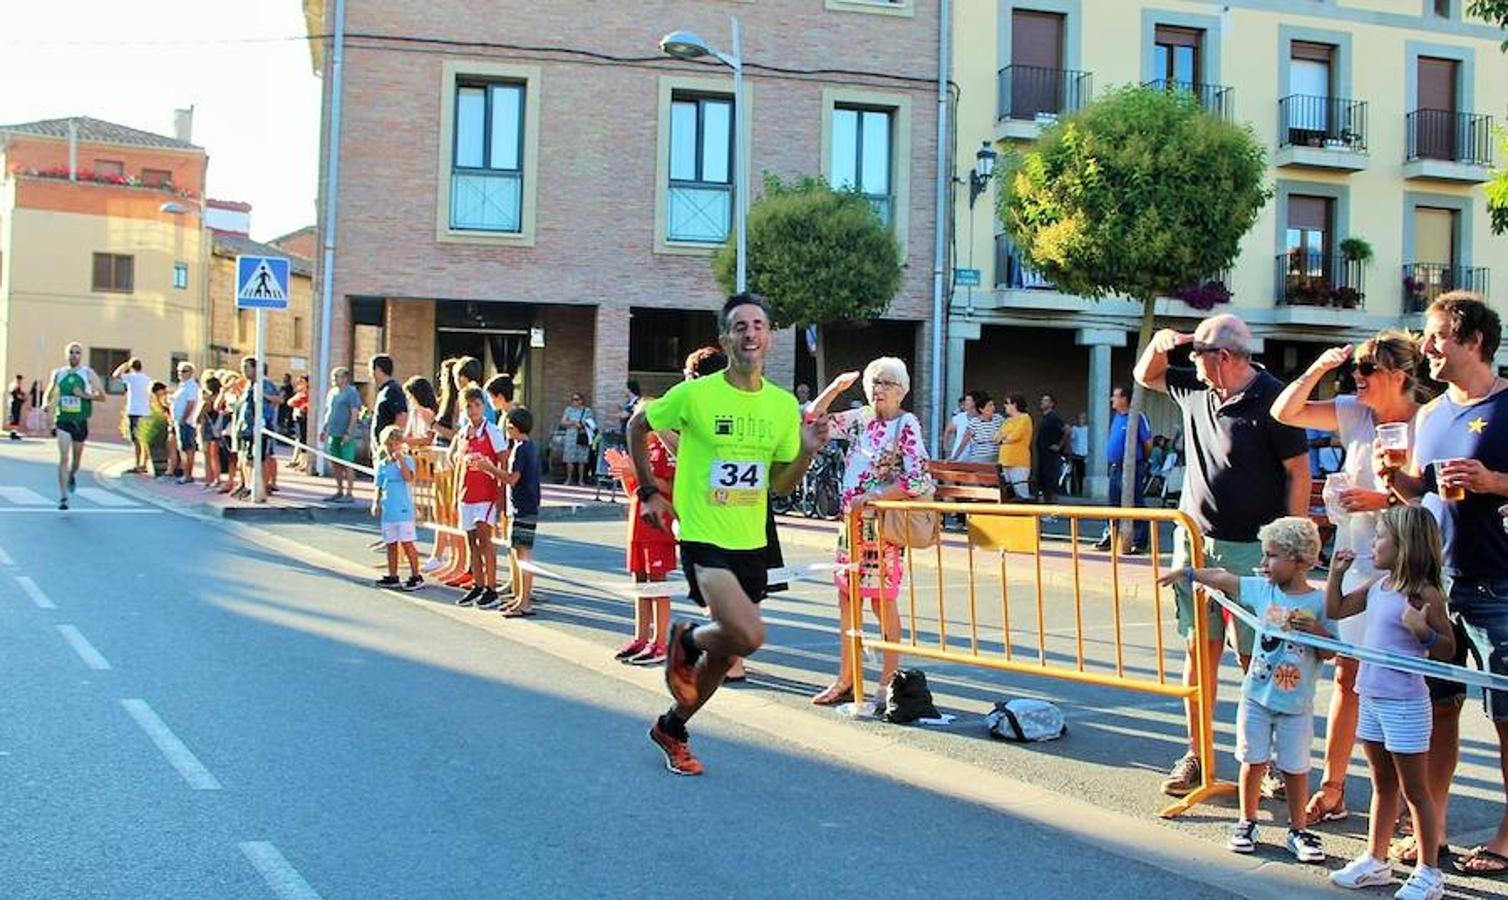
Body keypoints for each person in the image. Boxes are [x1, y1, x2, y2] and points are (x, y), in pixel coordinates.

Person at [631, 293, 826, 776]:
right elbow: (638, 424)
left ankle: (672, 727)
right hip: (704, 536)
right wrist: (649, 491)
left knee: (728, 654)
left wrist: (805, 451)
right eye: (740, 326)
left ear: (769, 337)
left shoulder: (782, 406)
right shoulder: (696, 394)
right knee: (748, 634)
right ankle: (687, 639)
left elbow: (778, 485)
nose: (750, 334)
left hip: (751, 541)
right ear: (726, 338)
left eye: (758, 325)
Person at [1134, 313, 1311, 797]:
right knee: (1199, 648)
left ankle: (1268, 758)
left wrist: (1290, 543)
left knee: (1257, 655)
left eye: (1199, 356)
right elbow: (1144, 375)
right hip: (1195, 539)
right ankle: (1197, 751)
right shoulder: (1196, 387)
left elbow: (1299, 471)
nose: (1191, 364)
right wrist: (1160, 344)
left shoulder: (1273, 398)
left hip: (1254, 547)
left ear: (1226, 358)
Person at [1270, 331, 1429, 827]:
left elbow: (1438, 493)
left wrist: (1384, 499)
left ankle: (1405, 799)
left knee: (1400, 681)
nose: (1356, 377)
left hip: (1404, 562)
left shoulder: (1426, 420)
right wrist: (1318, 367)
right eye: (1354, 368)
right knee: (1348, 674)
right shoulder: (1353, 411)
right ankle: (1334, 786)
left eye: (1367, 369)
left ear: (1398, 375)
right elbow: (1285, 412)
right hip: (1354, 552)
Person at [1378, 293, 1508, 878]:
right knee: (1440, 712)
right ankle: (1437, 826)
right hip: (1440, 583)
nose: (1425, 348)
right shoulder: (1429, 416)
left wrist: (1494, 480)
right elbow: (1422, 495)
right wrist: (1398, 481)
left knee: (1507, 717)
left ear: (1473, 340)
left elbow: (1487, 484)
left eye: (1435, 337)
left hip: (1502, 584)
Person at [1159, 517, 1333, 863]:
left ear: (1299, 560)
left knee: (1296, 768)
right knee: (1252, 759)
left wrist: (1314, 630)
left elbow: (1330, 652)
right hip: (1256, 697)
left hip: (1297, 702)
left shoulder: (1320, 603)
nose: (1264, 563)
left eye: (1272, 556)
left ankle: (1298, 829)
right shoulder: (1262, 589)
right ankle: (1247, 821)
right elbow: (1225, 578)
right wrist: (1189, 573)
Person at [1326, 507, 1455, 898]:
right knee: (1382, 784)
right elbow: (1337, 609)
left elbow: (1448, 650)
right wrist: (1335, 574)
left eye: (1380, 536)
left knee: (1416, 790)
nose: (1373, 543)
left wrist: (1424, 633)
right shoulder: (1380, 584)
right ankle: (1375, 859)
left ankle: (1429, 871)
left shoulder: (1424, 594)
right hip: (1372, 694)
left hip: (1405, 703)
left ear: (1405, 546)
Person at [811, 358, 934, 707]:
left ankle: (887, 682)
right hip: (851, 526)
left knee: (883, 601)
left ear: (902, 390)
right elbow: (813, 420)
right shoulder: (862, 419)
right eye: (874, 382)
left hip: (882, 528)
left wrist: (876, 496)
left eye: (887, 383)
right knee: (847, 599)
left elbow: (918, 477)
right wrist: (835, 389)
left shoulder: (907, 424)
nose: (878, 390)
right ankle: (846, 679)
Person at [616, 397, 677, 665]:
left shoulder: (667, 448)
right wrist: (624, 473)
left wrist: (641, 472)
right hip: (637, 525)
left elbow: (672, 488)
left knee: (657, 583)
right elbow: (635, 492)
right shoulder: (641, 450)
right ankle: (641, 637)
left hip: (658, 525)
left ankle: (660, 641)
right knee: (639, 582)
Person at [456, 387, 509, 610]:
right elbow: (459, 463)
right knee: (471, 541)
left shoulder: (493, 431)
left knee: (485, 540)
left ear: (484, 407)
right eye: (469, 406)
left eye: (477, 405)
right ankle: (477, 584)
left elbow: (503, 460)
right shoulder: (464, 433)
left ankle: (491, 588)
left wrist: (502, 493)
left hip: (486, 494)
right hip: (466, 493)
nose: (473, 410)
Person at [45, 342, 104, 509]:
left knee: (76, 461)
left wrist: (84, 395)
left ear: (81, 356)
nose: (74, 355)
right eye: (71, 352)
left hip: (80, 422)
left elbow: (102, 396)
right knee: (64, 457)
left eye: (77, 352)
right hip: (63, 420)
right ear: (66, 355)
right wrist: (45, 404)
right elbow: (49, 392)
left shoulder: (88, 373)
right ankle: (63, 497)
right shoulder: (58, 373)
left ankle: (72, 475)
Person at [1096, 385, 1153, 553]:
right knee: (1113, 503)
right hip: (1115, 467)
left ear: (1125, 399)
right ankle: (1110, 536)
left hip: (1132, 467)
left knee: (1135, 502)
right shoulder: (1117, 417)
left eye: (1115, 396)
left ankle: (1139, 541)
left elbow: (1148, 442)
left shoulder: (1137, 417)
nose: (1112, 400)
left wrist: (1141, 460)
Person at [498, 407, 541, 618]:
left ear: (514, 427)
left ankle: (525, 601)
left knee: (522, 554)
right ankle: (521, 597)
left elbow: (512, 478)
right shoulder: (530, 446)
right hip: (527, 505)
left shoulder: (520, 449)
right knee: (519, 552)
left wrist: (489, 468)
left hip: (522, 506)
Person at [372, 425, 423, 591]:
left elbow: (408, 478)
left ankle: (416, 574)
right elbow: (379, 485)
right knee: (391, 543)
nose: (391, 448)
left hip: (403, 510)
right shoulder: (382, 464)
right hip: (389, 510)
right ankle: (392, 574)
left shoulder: (406, 461)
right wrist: (376, 502)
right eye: (388, 445)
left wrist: (400, 460)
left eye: (394, 444)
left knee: (407, 543)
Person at [235, 357, 282, 501]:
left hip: (261, 427)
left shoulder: (264, 384)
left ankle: (261, 488)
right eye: (243, 368)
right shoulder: (248, 384)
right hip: (247, 428)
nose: (244, 371)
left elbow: (278, 400)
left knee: (260, 459)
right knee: (248, 458)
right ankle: (250, 486)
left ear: (256, 369)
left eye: (247, 368)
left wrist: (263, 395)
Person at [320, 367, 361, 503]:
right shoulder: (332, 393)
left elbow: (354, 413)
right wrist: (324, 429)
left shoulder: (351, 393)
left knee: (347, 463)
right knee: (335, 463)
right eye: (333, 376)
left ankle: (349, 494)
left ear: (345, 378)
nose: (334, 379)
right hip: (333, 432)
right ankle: (339, 490)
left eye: (336, 376)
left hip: (346, 434)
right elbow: (329, 412)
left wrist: (348, 432)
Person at [113, 358, 153, 474]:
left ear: (131, 367)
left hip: (134, 411)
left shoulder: (130, 377)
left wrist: (123, 366)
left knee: (136, 441)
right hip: (145, 411)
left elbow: (115, 375)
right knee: (144, 440)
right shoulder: (147, 378)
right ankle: (144, 464)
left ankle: (137, 464)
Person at [369, 354, 408, 453]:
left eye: (371, 370)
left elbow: (401, 417)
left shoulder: (393, 390)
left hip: (388, 450)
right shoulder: (383, 390)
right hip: (379, 449)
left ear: (377, 369)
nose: (370, 374)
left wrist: (390, 444)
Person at [997, 394, 1033, 501]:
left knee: (1021, 492)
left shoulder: (1025, 418)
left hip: (1018, 462)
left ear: (1015, 404)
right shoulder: (1007, 421)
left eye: (1007, 403)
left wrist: (1004, 437)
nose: (1005, 406)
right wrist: (1004, 437)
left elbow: (1014, 437)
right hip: (1004, 461)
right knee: (1007, 493)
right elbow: (996, 437)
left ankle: (1027, 514)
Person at [170, 362, 201, 485]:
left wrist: (184, 418)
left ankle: (187, 474)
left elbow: (191, 403)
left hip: (186, 422)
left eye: (184, 371)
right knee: (183, 448)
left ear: (191, 373)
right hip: (179, 421)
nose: (180, 373)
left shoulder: (191, 386)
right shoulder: (182, 386)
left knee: (187, 449)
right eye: (179, 371)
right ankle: (185, 473)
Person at [1035, 393, 1065, 504]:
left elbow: (1067, 430)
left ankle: (1053, 512)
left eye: (1046, 400)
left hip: (1051, 458)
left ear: (1052, 404)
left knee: (1051, 484)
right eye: (1042, 400)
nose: (1043, 402)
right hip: (1042, 456)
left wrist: (1059, 446)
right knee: (1043, 485)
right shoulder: (1043, 418)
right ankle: (1046, 510)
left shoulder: (1054, 418)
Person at [559, 392, 595, 486]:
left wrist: (582, 424)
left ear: (581, 400)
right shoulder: (569, 410)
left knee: (581, 460)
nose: (574, 402)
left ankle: (581, 480)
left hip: (582, 436)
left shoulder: (587, 411)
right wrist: (573, 423)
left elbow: (591, 423)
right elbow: (563, 422)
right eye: (573, 399)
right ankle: (569, 479)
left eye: (576, 399)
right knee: (569, 459)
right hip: (570, 437)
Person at [959, 391, 1001, 465]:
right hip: (979, 459)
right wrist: (954, 457)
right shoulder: (974, 422)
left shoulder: (999, 419)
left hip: (996, 458)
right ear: (981, 409)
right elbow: (964, 441)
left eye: (993, 405)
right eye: (990, 405)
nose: (993, 408)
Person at [200, 375, 225, 491]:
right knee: (214, 455)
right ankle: (215, 478)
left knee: (209, 455)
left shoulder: (208, 401)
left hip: (209, 429)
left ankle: (210, 478)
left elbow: (200, 415)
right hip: (217, 428)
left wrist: (203, 401)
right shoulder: (220, 399)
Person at [403, 376, 438, 448]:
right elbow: (408, 434)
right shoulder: (414, 412)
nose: (409, 400)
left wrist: (405, 440)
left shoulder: (429, 413)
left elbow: (428, 439)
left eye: (410, 397)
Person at [943, 393, 976, 462]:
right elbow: (948, 431)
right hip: (959, 457)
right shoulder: (959, 417)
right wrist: (946, 449)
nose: (966, 402)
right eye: (966, 400)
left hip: (976, 458)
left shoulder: (981, 418)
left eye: (968, 400)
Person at [289, 375, 311, 472]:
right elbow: (290, 402)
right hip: (298, 417)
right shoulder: (300, 393)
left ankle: (305, 463)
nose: (299, 384)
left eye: (302, 381)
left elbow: (306, 405)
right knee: (300, 439)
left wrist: (302, 406)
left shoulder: (308, 394)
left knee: (304, 440)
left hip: (304, 417)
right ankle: (301, 462)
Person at [1068, 412, 1089, 496]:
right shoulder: (1074, 429)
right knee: (1074, 473)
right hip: (1076, 453)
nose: (1081, 420)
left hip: (1085, 454)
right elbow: (1072, 438)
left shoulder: (1088, 429)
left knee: (1082, 474)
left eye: (1083, 418)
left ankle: (1081, 491)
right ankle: (1073, 491)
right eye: (1080, 418)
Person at [8, 374, 24, 440]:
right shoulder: (15, 385)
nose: (21, 381)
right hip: (15, 403)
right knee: (15, 418)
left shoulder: (14, 385)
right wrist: (20, 396)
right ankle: (13, 433)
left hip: (16, 403)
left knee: (15, 418)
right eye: (20, 380)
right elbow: (14, 393)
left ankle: (14, 433)